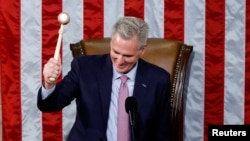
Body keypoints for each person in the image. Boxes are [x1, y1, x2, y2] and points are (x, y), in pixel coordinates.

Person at [37, 16, 171, 141]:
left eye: (127, 56)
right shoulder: (85, 68)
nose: (119, 61)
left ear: (142, 50)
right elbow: (50, 104)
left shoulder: (159, 80)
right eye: (116, 52)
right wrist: (49, 83)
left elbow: (162, 133)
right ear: (111, 43)